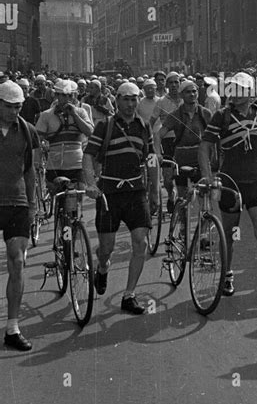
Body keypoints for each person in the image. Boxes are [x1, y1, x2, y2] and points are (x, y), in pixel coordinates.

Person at [199, 72, 257, 302]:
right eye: (233, 88)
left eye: (241, 89)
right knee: (229, 235)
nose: (236, 94)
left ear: (251, 93)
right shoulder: (222, 116)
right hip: (231, 183)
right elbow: (204, 147)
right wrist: (208, 177)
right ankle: (227, 275)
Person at [82, 82, 159, 314]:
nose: (130, 104)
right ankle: (103, 269)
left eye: (134, 99)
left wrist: (155, 190)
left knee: (141, 242)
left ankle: (129, 295)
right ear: (117, 100)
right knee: (106, 248)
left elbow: (152, 159)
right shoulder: (105, 126)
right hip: (110, 193)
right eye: (125, 99)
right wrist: (91, 183)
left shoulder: (144, 126)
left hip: (136, 192)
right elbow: (88, 155)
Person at [0, 80, 40, 351]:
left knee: (17, 263)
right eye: (9, 107)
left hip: (17, 203)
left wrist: (33, 204)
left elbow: (30, 170)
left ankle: (12, 328)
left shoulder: (27, 130)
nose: (14, 112)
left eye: (18, 107)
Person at [36, 79, 93, 191]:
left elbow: (90, 132)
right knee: (56, 197)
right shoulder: (46, 115)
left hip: (77, 164)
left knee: (79, 196)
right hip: (54, 165)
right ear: (56, 96)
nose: (67, 99)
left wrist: (75, 115)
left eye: (70, 95)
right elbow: (37, 139)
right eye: (63, 95)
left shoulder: (81, 112)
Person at [159, 79, 212, 197]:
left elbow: (215, 137)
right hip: (182, 159)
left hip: (201, 159)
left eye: (194, 91)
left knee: (204, 195)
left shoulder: (206, 114)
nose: (192, 94)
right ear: (181, 94)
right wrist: (158, 153)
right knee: (182, 197)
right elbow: (158, 135)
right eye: (188, 92)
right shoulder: (175, 115)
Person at [149, 71, 182, 212]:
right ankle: (170, 194)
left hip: (183, 142)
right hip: (167, 141)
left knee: (183, 178)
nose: (174, 85)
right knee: (168, 179)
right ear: (167, 85)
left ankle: (182, 208)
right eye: (171, 83)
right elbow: (151, 121)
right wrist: (151, 141)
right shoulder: (161, 102)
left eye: (176, 82)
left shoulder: (186, 99)